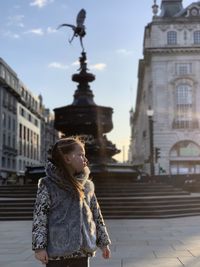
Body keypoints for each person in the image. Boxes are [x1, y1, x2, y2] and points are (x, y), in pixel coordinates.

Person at [32, 136, 111, 267]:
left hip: (81, 250)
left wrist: (103, 243)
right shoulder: (48, 185)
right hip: (57, 250)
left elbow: (96, 215)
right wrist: (39, 247)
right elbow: (40, 217)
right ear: (67, 158)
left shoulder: (87, 186)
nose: (85, 159)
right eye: (80, 155)